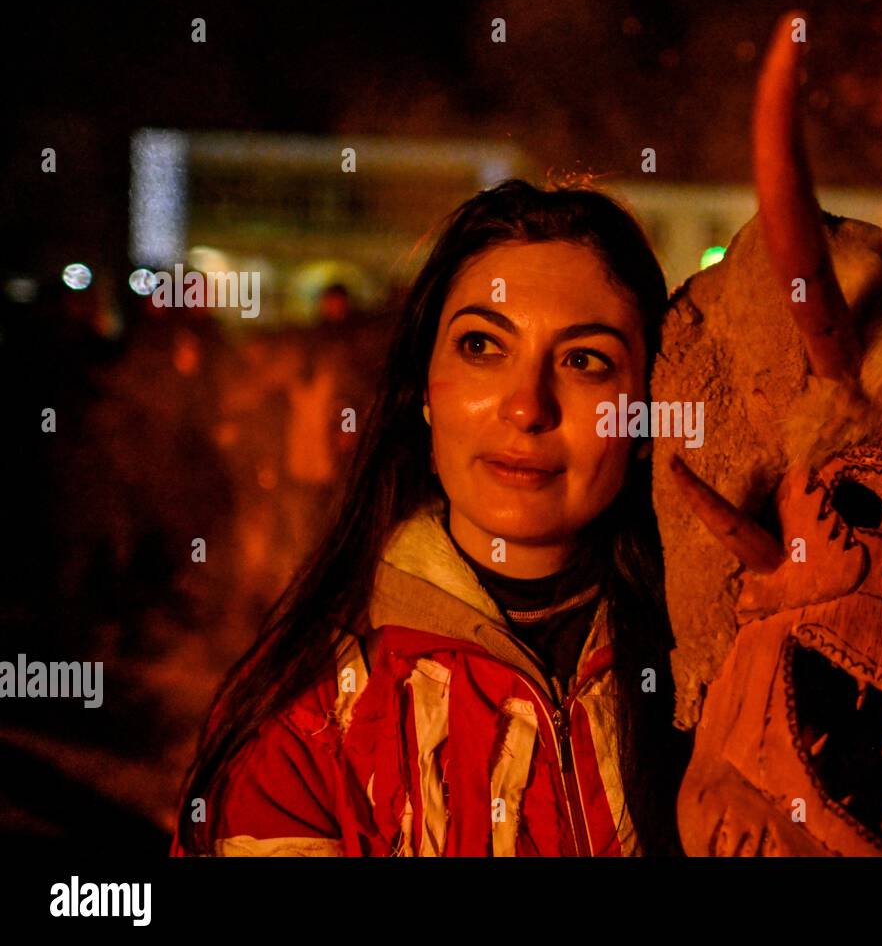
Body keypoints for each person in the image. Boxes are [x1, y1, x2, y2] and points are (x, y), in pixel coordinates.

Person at [171, 178, 692, 856]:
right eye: (482, 347)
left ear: (648, 410)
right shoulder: (309, 712)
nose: (527, 407)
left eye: (584, 361)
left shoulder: (721, 674)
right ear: (423, 391)